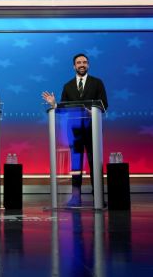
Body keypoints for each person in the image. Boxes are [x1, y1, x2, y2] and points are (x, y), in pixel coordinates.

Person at [42, 53, 108, 207]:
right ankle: (76, 197)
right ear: (74, 66)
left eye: (85, 62)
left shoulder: (97, 83)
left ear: (88, 65)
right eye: (79, 63)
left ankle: (98, 197)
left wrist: (94, 110)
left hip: (93, 130)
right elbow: (65, 108)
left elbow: (104, 105)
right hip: (74, 132)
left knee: (94, 164)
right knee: (76, 165)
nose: (82, 65)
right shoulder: (68, 86)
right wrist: (55, 104)